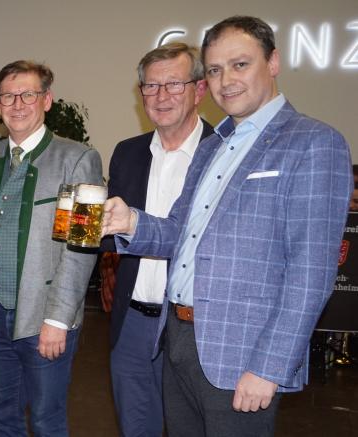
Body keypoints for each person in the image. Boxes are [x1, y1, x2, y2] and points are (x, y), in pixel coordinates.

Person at [103, 16, 351, 436]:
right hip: (178, 339)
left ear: (273, 62)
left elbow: (310, 272)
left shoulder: (312, 142)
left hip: (240, 356)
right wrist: (131, 222)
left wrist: (269, 366)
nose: (226, 80)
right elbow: (180, 232)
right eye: (216, 69)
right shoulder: (213, 146)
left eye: (240, 64)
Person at [0, 60, 102, 436]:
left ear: (46, 100)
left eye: (28, 94)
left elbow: (82, 248)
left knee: (46, 420)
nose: (17, 104)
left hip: (44, 314)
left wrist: (58, 319)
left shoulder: (78, 159)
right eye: (8, 96)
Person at [101, 42, 213, 437]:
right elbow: (113, 239)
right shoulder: (127, 153)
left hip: (195, 325)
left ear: (199, 90)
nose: (161, 96)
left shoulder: (223, 153)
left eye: (174, 84)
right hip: (132, 321)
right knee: (136, 428)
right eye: (151, 86)